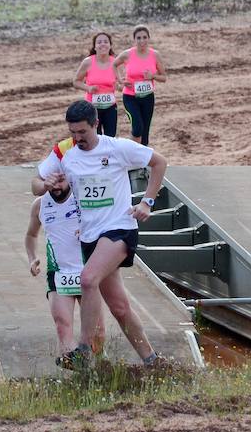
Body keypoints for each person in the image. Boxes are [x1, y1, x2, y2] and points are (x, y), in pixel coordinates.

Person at [33, 100, 167, 367]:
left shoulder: (117, 148)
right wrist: (51, 184)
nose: (77, 138)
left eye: (82, 132)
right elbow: (37, 186)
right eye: (72, 132)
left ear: (96, 124)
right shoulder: (69, 157)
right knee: (119, 308)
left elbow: (159, 163)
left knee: (87, 279)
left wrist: (147, 202)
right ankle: (153, 362)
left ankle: (83, 349)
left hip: (119, 229)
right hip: (90, 238)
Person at [24, 172, 105, 361]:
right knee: (62, 325)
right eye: (51, 183)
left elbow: (107, 224)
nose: (56, 187)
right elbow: (31, 235)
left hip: (88, 271)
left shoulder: (83, 198)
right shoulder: (40, 205)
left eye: (61, 181)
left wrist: (90, 230)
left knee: (97, 332)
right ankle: (77, 372)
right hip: (58, 273)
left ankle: (100, 370)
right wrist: (32, 258)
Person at [112, 24, 168, 146]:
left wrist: (152, 76)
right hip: (130, 97)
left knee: (145, 131)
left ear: (148, 38)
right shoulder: (127, 54)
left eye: (144, 37)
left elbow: (163, 77)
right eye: (138, 38)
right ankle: (130, 150)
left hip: (148, 97)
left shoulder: (155, 55)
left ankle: (142, 160)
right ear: (134, 40)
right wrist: (120, 80)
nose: (142, 41)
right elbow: (114, 65)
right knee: (137, 128)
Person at [73, 32, 119, 137]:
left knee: (110, 138)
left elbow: (120, 82)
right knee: (94, 138)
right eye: (99, 42)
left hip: (110, 107)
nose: (103, 44)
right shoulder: (88, 62)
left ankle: (108, 154)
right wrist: (88, 88)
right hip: (92, 108)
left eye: (106, 42)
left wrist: (120, 86)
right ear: (95, 46)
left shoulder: (115, 62)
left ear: (110, 45)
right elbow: (76, 81)